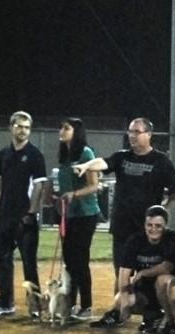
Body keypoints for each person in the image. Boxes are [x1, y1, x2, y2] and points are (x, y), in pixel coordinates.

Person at [72, 117, 175, 280]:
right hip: (122, 227)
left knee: (145, 277)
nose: (132, 135)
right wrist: (86, 166)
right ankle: (121, 305)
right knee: (122, 274)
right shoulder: (122, 157)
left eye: (137, 131)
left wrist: (162, 210)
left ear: (149, 134)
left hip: (147, 230)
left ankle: (147, 305)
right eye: (130, 131)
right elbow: (103, 162)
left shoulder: (161, 161)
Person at [0, 111, 47, 318]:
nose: (23, 131)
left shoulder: (35, 155)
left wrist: (31, 213)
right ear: (11, 127)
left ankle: (35, 306)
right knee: (2, 261)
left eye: (27, 127)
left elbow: (40, 187)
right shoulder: (3, 155)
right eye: (19, 126)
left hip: (24, 218)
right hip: (4, 216)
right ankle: (5, 303)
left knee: (29, 263)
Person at [90, 205, 175, 334]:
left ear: (165, 225)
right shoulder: (136, 240)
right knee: (120, 300)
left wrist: (143, 272)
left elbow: (167, 267)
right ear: (144, 224)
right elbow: (124, 272)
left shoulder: (172, 240)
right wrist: (125, 304)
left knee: (163, 280)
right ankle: (143, 316)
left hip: (168, 292)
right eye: (149, 225)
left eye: (158, 226)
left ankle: (169, 321)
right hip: (145, 290)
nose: (153, 229)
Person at [55, 117, 101, 320]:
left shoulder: (85, 153)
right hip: (67, 213)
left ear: (76, 131)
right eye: (62, 127)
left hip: (85, 214)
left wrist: (74, 194)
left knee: (80, 261)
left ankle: (86, 306)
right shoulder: (64, 155)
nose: (62, 131)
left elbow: (94, 186)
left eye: (66, 128)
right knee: (70, 261)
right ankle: (71, 303)